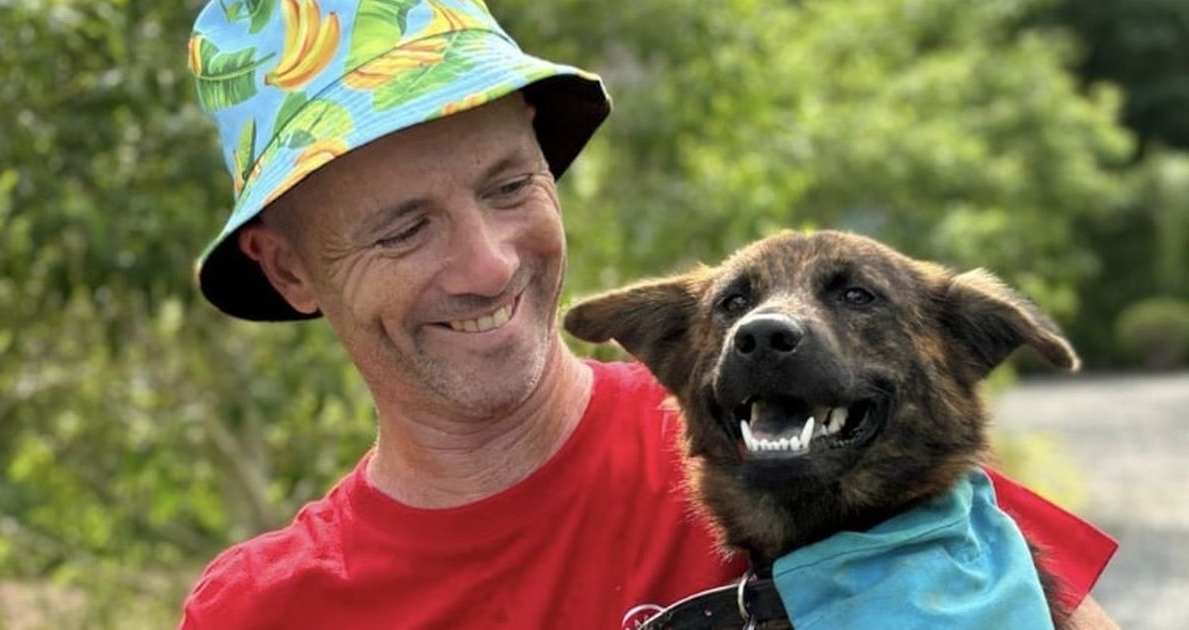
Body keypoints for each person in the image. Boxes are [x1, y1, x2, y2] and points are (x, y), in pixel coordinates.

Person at [180, 1, 1119, 628]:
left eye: (510, 186)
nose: (488, 264)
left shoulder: (804, 454)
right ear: (291, 267)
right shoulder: (265, 611)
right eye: (403, 229)